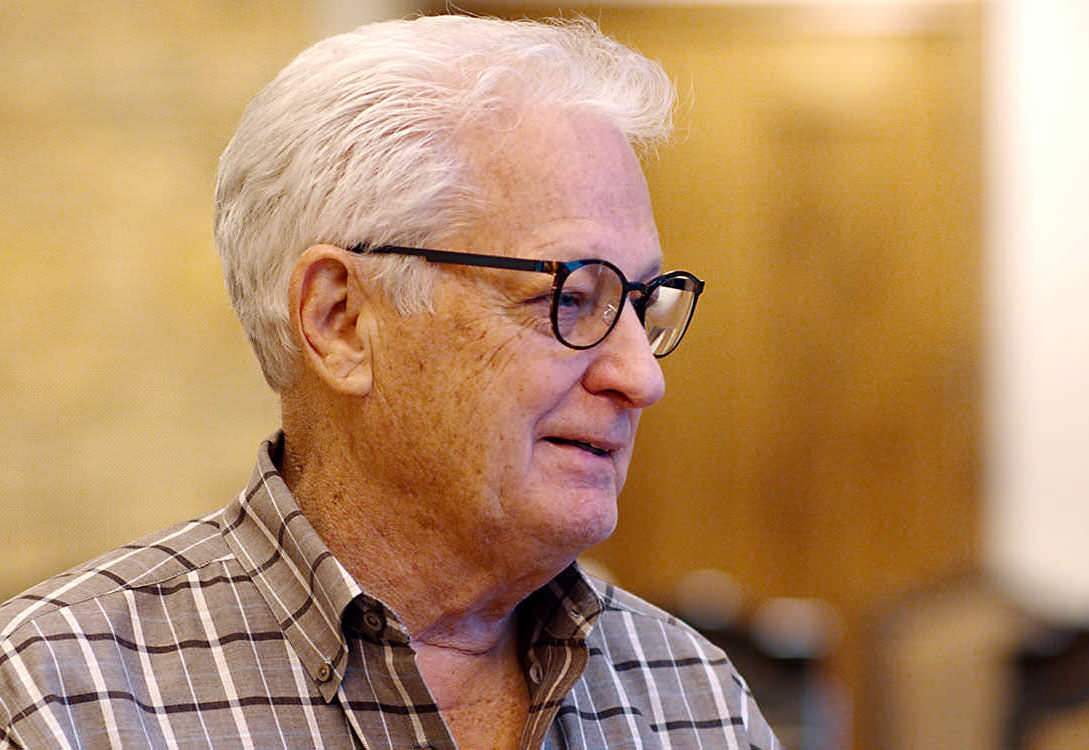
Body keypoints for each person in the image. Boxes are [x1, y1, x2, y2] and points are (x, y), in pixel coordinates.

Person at [0, 15, 778, 749]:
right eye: (570, 299)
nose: (640, 377)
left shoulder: (693, 697)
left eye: (640, 303)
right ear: (340, 321)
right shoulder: (62, 699)